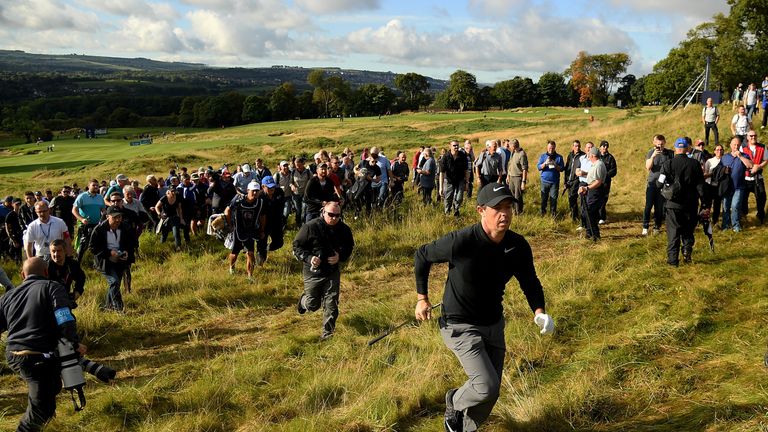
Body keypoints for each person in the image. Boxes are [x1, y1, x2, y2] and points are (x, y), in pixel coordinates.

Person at [413, 183, 554, 432]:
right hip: (459, 324)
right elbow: (422, 255)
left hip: (493, 323)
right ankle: (454, 402)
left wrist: (539, 312)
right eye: (497, 208)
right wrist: (421, 298)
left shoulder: (517, 246)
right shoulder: (461, 241)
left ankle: (460, 429)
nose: (505, 213)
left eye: (508, 207)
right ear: (481, 210)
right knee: (486, 386)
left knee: (491, 392)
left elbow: (530, 281)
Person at [0, 257, 85, 432]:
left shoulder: (8, 296)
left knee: (53, 385)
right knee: (39, 410)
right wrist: (75, 344)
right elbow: (65, 319)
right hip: (36, 357)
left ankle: (48, 421)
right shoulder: (53, 287)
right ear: (46, 272)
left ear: (23, 275)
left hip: (15, 356)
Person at [293, 201, 354, 341]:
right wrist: (309, 258)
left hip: (332, 271)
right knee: (312, 305)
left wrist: (340, 256)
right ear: (323, 212)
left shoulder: (344, 229)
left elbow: (349, 247)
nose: (334, 218)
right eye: (331, 214)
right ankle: (303, 301)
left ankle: (327, 335)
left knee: (331, 304)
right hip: (313, 272)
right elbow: (297, 247)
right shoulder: (310, 227)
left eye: (337, 215)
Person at [659, 138, 706, 265]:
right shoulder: (695, 164)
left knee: (673, 232)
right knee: (688, 230)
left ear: (675, 149)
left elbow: (659, 183)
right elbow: (701, 186)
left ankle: (673, 260)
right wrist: (705, 204)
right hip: (691, 204)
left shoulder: (668, 164)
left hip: (673, 204)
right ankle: (686, 253)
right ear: (687, 149)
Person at [90, 206, 136, 311]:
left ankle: (108, 307)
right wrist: (109, 252)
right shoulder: (99, 229)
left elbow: (131, 242)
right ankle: (118, 308)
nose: (118, 220)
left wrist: (126, 252)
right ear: (107, 217)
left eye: (119, 217)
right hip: (105, 262)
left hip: (120, 262)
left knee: (115, 285)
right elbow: (92, 248)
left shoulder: (124, 227)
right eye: (115, 217)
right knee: (114, 282)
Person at [225, 181, 266, 280]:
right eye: (253, 191)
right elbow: (227, 210)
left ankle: (250, 276)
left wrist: (262, 230)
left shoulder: (259, 202)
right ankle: (232, 267)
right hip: (238, 230)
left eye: (257, 191)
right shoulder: (238, 199)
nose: (255, 193)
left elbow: (262, 216)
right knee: (235, 253)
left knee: (250, 253)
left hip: (251, 230)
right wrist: (230, 224)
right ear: (248, 190)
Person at [642, 135, 674, 235]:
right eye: (658, 144)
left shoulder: (670, 153)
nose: (660, 146)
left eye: (661, 144)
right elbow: (648, 167)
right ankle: (645, 226)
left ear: (665, 142)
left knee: (659, 207)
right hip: (652, 183)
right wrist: (653, 156)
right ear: (654, 143)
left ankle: (657, 226)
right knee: (648, 206)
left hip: (664, 184)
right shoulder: (651, 152)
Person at [721, 137, 754, 232]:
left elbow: (750, 165)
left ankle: (736, 226)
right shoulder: (725, 157)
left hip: (739, 186)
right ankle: (726, 225)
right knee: (726, 207)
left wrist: (740, 156)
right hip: (727, 187)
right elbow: (718, 170)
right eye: (734, 145)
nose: (736, 146)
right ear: (731, 145)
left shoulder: (745, 155)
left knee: (735, 206)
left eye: (738, 145)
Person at [72, 179, 106, 262]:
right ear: (89, 186)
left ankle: (97, 263)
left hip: (97, 224)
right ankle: (77, 262)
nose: (96, 187)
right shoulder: (82, 196)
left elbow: (103, 210)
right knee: (83, 244)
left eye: (97, 186)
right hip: (85, 224)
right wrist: (82, 219)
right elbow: (74, 210)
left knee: (97, 244)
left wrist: (105, 215)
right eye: (93, 185)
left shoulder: (100, 197)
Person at [44, 239, 86, 305]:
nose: (56, 254)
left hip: (65, 297)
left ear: (65, 251)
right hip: (48, 300)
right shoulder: (46, 266)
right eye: (53, 251)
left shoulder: (72, 264)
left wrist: (77, 292)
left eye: (59, 251)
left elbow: (81, 277)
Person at [740, 131, 768, 224]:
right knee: (743, 198)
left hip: (757, 178)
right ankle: (744, 215)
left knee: (762, 197)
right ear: (747, 137)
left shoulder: (762, 147)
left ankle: (760, 216)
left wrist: (759, 166)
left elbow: (765, 160)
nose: (753, 137)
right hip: (745, 178)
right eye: (751, 136)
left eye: (755, 135)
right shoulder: (742, 147)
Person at [579, 148, 607, 241]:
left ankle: (595, 235)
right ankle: (590, 233)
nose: (589, 157)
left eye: (589, 155)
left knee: (590, 212)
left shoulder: (598, 165)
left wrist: (587, 188)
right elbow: (593, 176)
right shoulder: (595, 164)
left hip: (596, 191)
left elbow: (598, 182)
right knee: (591, 213)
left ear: (593, 156)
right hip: (592, 190)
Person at [257, 176, 285, 265]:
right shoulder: (259, 197)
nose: (272, 189)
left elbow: (281, 207)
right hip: (263, 223)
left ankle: (267, 248)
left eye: (273, 187)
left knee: (279, 243)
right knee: (261, 245)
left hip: (276, 221)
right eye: (269, 187)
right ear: (263, 187)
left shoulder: (279, 192)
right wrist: (261, 229)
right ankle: (260, 263)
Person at [440, 141, 470, 217]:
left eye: (457, 145)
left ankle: (456, 210)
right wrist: (441, 187)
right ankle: (447, 213)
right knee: (448, 198)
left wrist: (467, 183)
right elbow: (442, 172)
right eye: (454, 145)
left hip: (460, 180)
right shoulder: (446, 157)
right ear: (450, 146)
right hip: (449, 180)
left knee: (459, 197)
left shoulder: (462, 156)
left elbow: (466, 170)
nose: (456, 147)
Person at [536, 140, 564, 217]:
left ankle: (553, 215)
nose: (551, 149)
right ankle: (543, 214)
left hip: (554, 182)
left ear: (555, 148)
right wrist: (545, 163)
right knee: (544, 199)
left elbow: (561, 169)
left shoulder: (559, 157)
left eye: (552, 148)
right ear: (547, 147)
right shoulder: (543, 156)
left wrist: (555, 165)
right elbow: (538, 167)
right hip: (544, 181)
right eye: (549, 148)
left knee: (553, 200)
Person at [564, 140, 584, 222]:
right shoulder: (570, 155)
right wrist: (565, 181)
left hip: (577, 180)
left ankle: (575, 217)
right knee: (571, 199)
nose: (577, 147)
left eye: (579, 146)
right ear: (573, 147)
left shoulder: (582, 156)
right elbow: (567, 168)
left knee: (573, 197)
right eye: (576, 146)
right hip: (569, 180)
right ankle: (574, 215)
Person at [506, 139, 528, 215]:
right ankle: (513, 210)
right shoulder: (512, 152)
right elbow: (510, 165)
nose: (509, 147)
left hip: (518, 177)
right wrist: (508, 176)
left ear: (514, 146)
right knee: (511, 195)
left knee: (517, 196)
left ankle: (518, 212)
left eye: (510, 145)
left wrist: (523, 181)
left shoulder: (522, 154)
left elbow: (524, 169)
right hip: (511, 176)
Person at [598, 141, 617, 224]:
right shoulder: (596, 156)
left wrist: (605, 175)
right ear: (600, 147)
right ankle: (596, 216)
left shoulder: (610, 158)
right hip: (596, 181)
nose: (605, 148)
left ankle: (602, 217)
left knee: (603, 199)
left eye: (606, 147)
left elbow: (614, 170)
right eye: (603, 146)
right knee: (596, 198)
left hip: (606, 182)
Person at [290, 158, 312, 227]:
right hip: (296, 194)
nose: (298, 167)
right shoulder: (293, 172)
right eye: (296, 165)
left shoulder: (308, 172)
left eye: (299, 165)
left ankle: (303, 224)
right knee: (298, 210)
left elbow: (312, 181)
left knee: (304, 209)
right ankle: (298, 223)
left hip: (305, 194)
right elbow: (290, 182)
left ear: (303, 164)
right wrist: (292, 186)